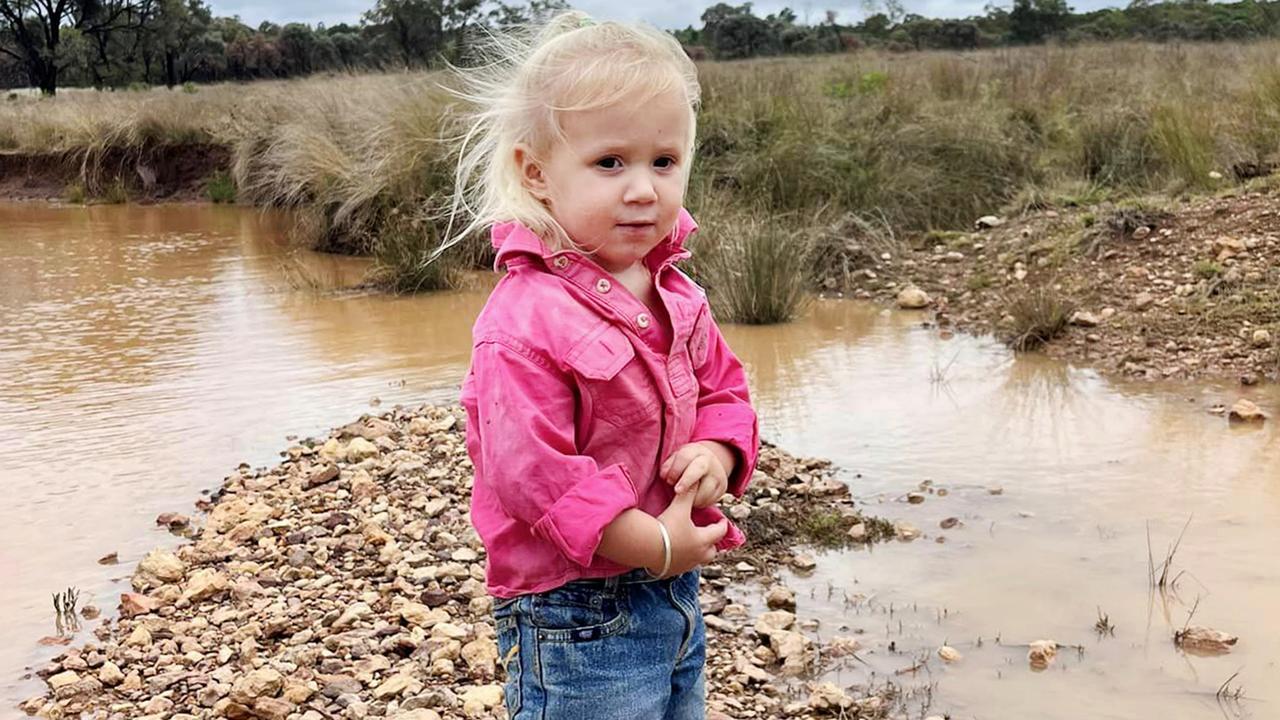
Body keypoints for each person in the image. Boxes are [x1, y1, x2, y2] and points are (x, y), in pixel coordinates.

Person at [450, 11, 759, 719]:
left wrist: (717, 447)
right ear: (537, 173)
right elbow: (532, 473)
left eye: (664, 161)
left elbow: (725, 389)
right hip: (574, 614)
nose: (644, 189)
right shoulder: (524, 319)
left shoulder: (678, 294)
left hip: (672, 590)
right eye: (610, 163)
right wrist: (650, 541)